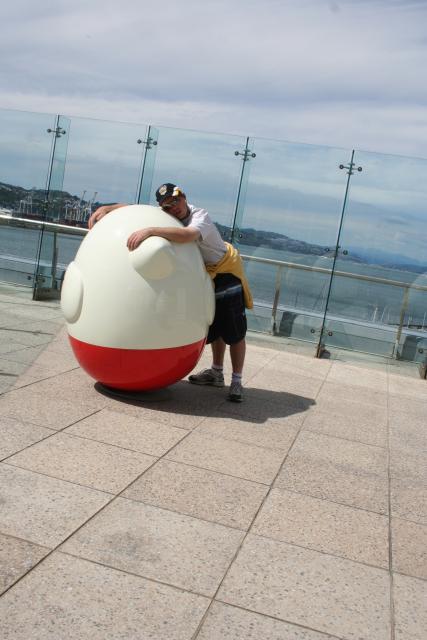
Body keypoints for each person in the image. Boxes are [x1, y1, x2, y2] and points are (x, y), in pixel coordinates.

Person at [88, 183, 253, 402]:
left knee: (234, 331)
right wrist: (111, 208)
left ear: (184, 197)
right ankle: (216, 372)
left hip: (226, 272)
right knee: (216, 324)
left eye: (176, 201)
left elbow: (187, 235)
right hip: (206, 275)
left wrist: (150, 230)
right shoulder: (168, 216)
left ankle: (237, 381)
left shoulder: (199, 215)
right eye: (167, 206)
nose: (173, 208)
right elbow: (140, 210)